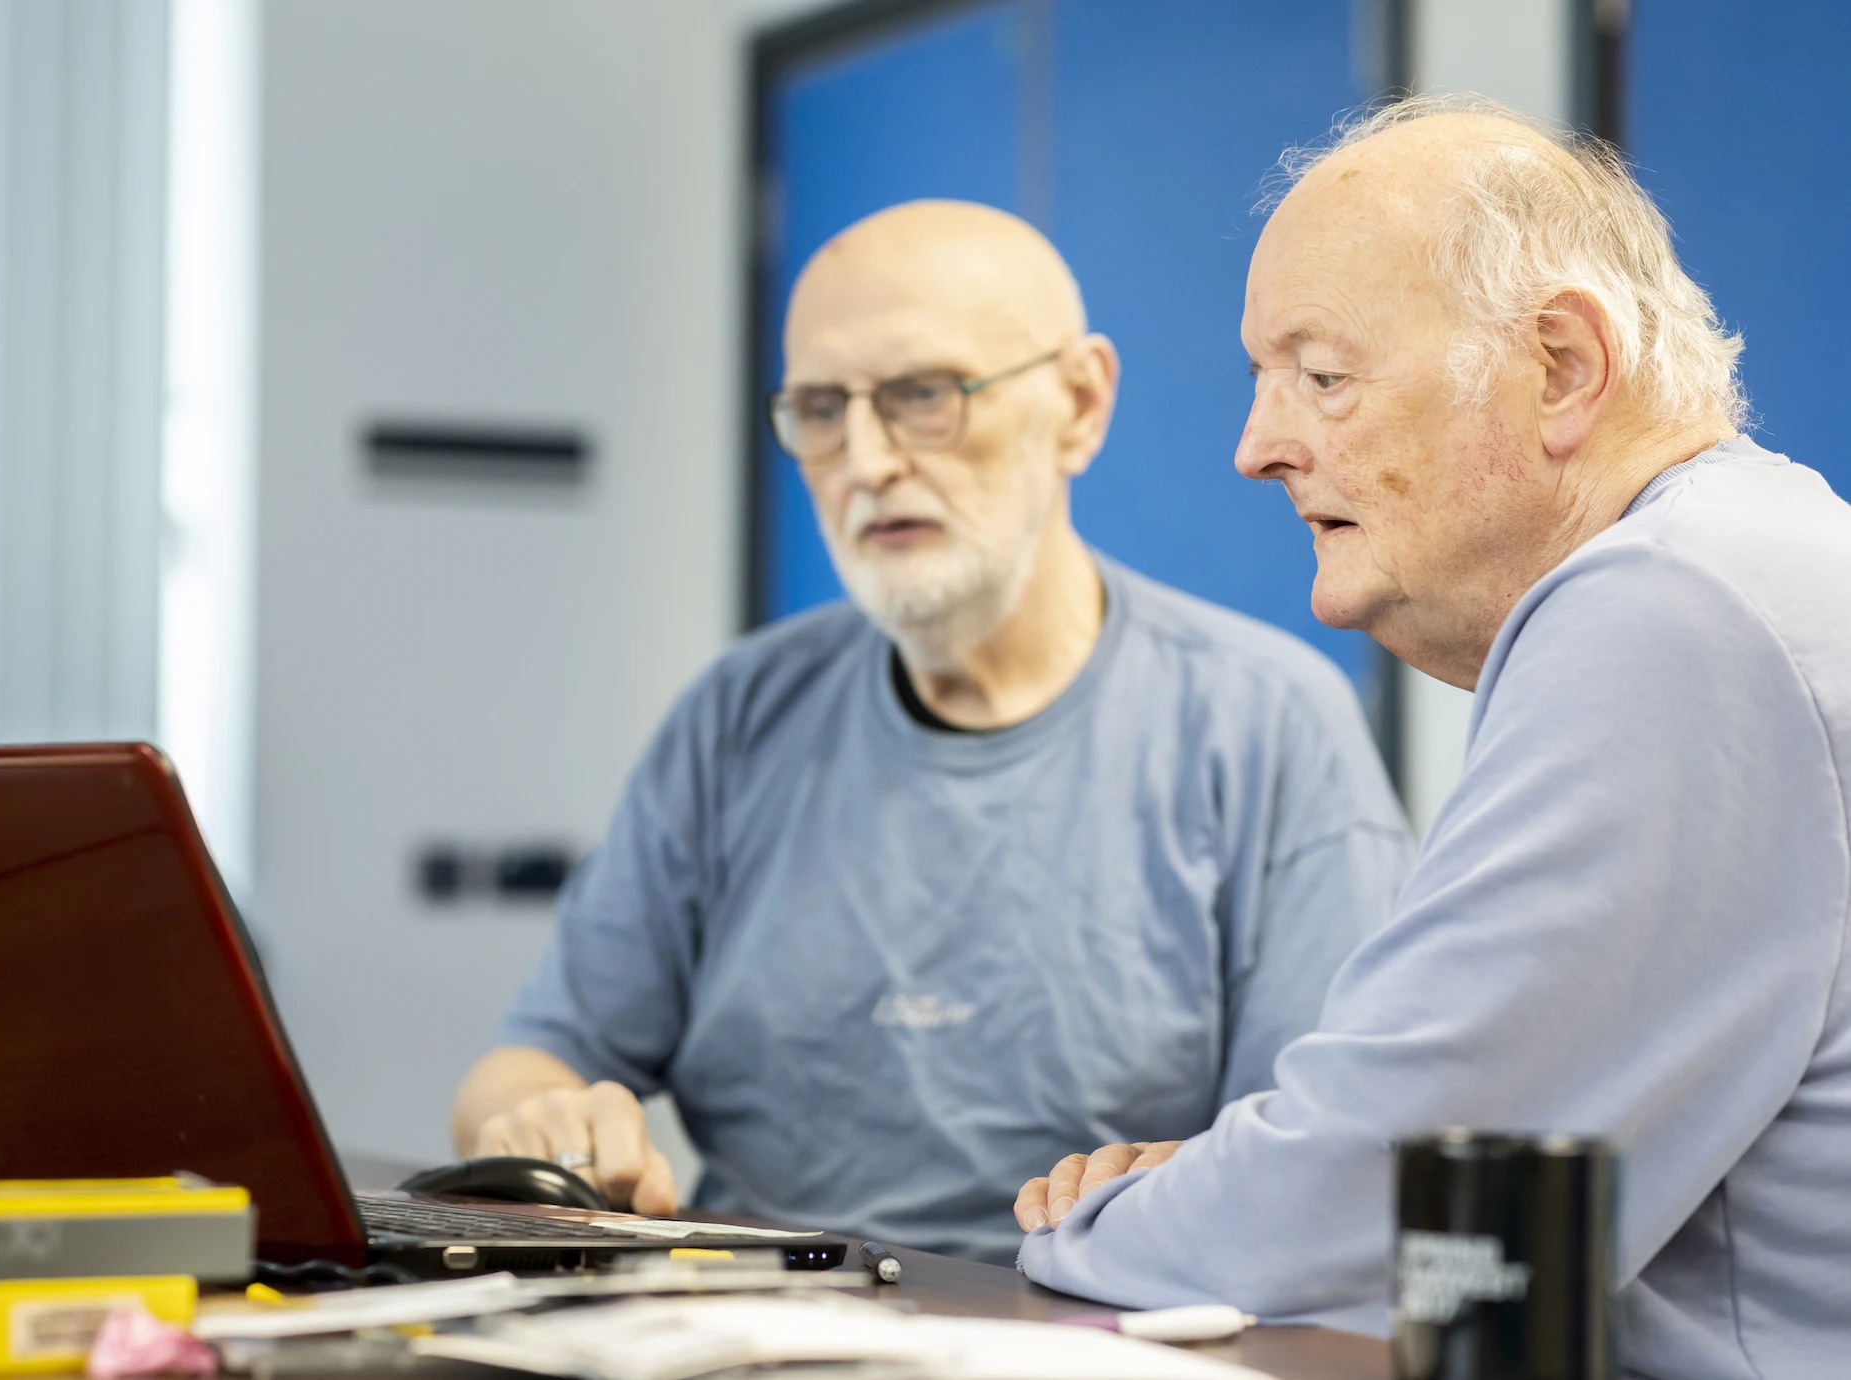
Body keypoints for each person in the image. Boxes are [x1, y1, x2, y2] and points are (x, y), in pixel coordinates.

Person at [1013, 98, 1851, 1375]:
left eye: (1324, 378)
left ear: (1563, 366)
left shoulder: (1674, 613)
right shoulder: (1762, 557)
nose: (1255, 449)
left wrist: (1104, 1221)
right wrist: (1264, 1177)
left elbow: (1365, 1209)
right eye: (1262, 381)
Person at [455, 200, 1411, 1264]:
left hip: (1087, 1320)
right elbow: (526, 1065)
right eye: (822, 409)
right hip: (748, 1314)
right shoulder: (737, 718)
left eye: (924, 397)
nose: (866, 462)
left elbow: (1322, 1160)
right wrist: (546, 1122)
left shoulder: (1269, 727)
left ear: (1079, 404)